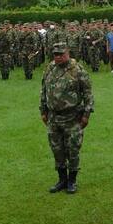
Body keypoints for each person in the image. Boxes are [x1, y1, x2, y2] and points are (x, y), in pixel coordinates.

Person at [40, 42, 94, 194]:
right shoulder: (50, 68)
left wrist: (86, 115)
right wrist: (43, 110)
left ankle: (72, 181)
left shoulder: (78, 70)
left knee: (73, 150)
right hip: (53, 118)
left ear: (68, 53)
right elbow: (43, 90)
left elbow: (88, 94)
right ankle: (62, 179)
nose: (58, 57)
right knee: (57, 150)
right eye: (55, 54)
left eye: (61, 54)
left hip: (72, 117)